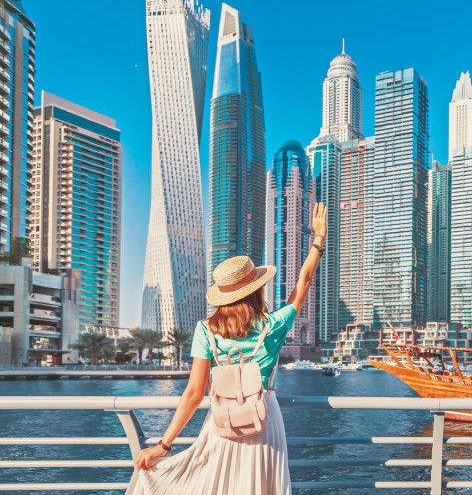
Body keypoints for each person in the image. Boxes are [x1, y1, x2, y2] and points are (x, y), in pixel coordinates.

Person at [127, 203, 328, 495]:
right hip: (264, 420)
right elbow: (304, 282)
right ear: (257, 289)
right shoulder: (273, 325)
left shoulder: (205, 329)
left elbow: (194, 394)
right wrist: (317, 240)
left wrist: (162, 445)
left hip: (222, 422)